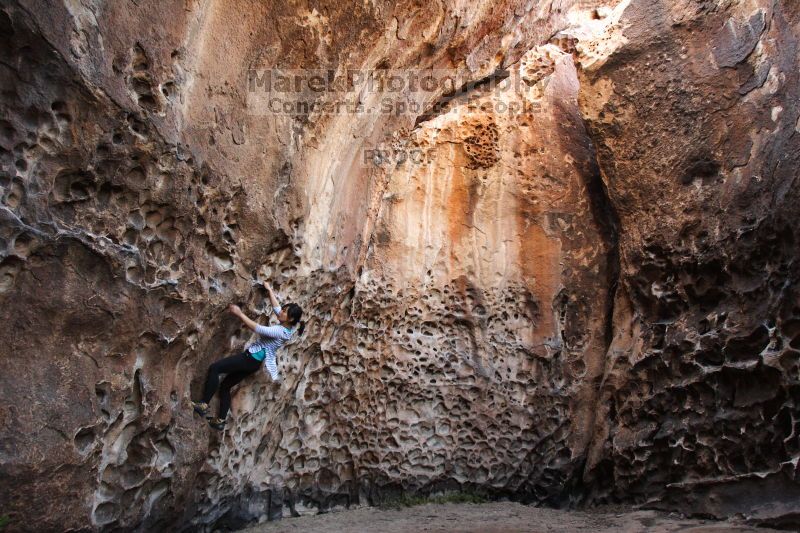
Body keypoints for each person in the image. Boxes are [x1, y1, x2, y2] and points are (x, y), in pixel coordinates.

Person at [192, 282, 305, 430]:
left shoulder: (281, 332)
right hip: (253, 364)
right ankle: (220, 421)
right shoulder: (287, 327)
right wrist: (270, 290)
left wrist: (239, 313)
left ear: (290, 319)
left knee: (215, 368)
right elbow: (277, 308)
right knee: (225, 386)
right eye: (283, 310)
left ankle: (203, 404)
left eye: (285, 312)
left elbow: (257, 328)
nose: (281, 312)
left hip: (249, 359)